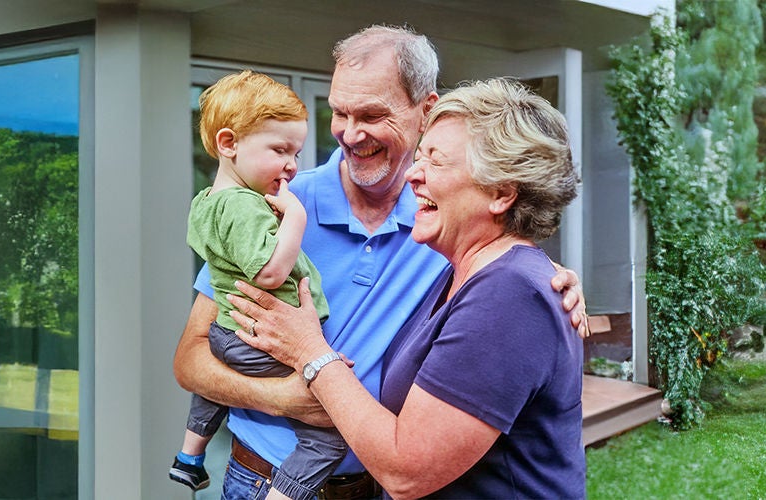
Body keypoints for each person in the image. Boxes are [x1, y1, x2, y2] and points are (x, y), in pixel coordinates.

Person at [172, 25, 587, 500]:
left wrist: (550, 281)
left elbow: (501, 276)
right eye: (340, 113)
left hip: (381, 485)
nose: (351, 133)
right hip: (261, 478)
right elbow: (190, 361)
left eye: (371, 114)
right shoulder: (275, 204)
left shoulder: (442, 223)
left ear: (425, 110)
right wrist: (284, 398)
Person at [168, 70, 344, 499]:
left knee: (218, 380)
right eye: (280, 149)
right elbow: (268, 273)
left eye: (297, 152)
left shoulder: (206, 202)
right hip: (260, 339)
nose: (291, 165)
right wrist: (296, 219)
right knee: (330, 435)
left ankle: (190, 456)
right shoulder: (246, 208)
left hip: (228, 332)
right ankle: (282, 493)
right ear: (228, 144)